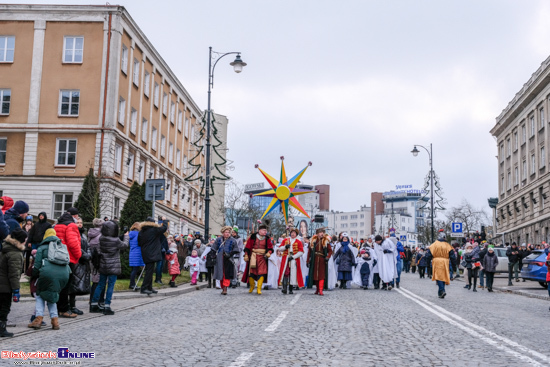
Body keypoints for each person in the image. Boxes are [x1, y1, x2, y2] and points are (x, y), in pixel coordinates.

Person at [27, 228, 70, 330]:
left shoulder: (42, 248)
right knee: (52, 297)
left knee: (40, 296)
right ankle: (55, 321)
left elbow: (36, 266)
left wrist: (33, 275)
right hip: (62, 275)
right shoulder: (62, 247)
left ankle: (38, 320)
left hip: (46, 275)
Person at [90, 221, 129, 315]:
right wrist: (126, 236)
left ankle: (94, 304)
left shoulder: (101, 238)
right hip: (113, 266)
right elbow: (125, 245)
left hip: (103, 265)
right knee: (110, 285)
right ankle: (107, 305)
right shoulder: (116, 240)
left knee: (100, 284)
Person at [54, 207, 82, 318]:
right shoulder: (71, 226)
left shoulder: (57, 225)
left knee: (60, 285)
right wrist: (79, 255)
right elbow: (73, 243)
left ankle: (58, 308)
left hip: (57, 257)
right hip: (68, 258)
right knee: (66, 285)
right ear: (74, 216)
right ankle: (64, 309)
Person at [0, 227, 27, 337]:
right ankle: (2, 329)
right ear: (20, 240)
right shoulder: (15, 253)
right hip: (5, 286)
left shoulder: (5, 248)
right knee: (4, 307)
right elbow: (14, 274)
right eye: (25, 239)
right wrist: (16, 289)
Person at [138, 217, 168, 295]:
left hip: (145, 252)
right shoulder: (153, 230)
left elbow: (139, 243)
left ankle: (149, 287)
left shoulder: (141, 231)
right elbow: (164, 228)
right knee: (149, 271)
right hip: (152, 252)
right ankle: (144, 288)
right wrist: (164, 220)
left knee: (150, 270)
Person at [242, 224, 274, 295]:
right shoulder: (253, 237)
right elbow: (247, 246)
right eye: (263, 230)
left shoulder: (267, 238)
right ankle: (252, 286)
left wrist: (269, 252)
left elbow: (270, 247)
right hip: (253, 256)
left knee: (262, 272)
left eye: (266, 230)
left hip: (262, 257)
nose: (265, 232)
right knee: (251, 273)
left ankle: (259, 289)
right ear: (259, 230)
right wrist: (246, 254)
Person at [69, 217, 91, 315]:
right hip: (76, 261)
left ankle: (72, 305)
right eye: (77, 222)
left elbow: (88, 246)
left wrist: (89, 254)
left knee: (76, 285)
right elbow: (76, 247)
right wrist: (85, 255)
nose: (80, 224)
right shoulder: (73, 234)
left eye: (81, 222)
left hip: (83, 262)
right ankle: (71, 306)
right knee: (73, 285)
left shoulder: (83, 235)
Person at [426, 229, 454, 299]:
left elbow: (428, 255)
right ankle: (441, 292)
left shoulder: (434, 245)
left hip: (436, 261)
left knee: (438, 276)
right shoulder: (447, 245)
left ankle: (442, 290)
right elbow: (452, 256)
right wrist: (454, 265)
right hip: (445, 261)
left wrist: (428, 264)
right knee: (443, 276)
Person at [213, 226, 239, 295]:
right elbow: (213, 248)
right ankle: (223, 287)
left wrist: (230, 254)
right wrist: (213, 257)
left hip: (228, 259)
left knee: (226, 274)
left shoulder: (233, 240)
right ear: (223, 233)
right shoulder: (218, 239)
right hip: (220, 258)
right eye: (226, 232)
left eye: (228, 232)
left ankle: (225, 288)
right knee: (221, 273)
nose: (227, 234)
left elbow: (236, 250)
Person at [277, 228, 305, 294]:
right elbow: (280, 249)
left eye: (294, 233)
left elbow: (301, 252)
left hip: (294, 259)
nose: (292, 234)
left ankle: (290, 289)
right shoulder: (286, 240)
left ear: (296, 234)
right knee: (285, 273)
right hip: (286, 258)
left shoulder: (298, 242)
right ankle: (284, 288)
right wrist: (285, 247)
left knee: (292, 273)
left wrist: (293, 257)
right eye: (292, 232)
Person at [306, 228, 333, 296]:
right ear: (317, 233)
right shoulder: (313, 241)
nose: (322, 234)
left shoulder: (326, 241)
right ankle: (317, 289)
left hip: (322, 260)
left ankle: (321, 290)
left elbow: (330, 251)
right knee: (315, 275)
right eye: (321, 232)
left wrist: (327, 257)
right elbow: (309, 251)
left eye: (323, 232)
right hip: (314, 260)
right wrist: (307, 260)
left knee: (321, 275)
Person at [88, 218, 105, 309]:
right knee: (101, 281)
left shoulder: (91, 233)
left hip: (92, 260)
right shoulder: (101, 236)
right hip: (99, 260)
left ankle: (93, 300)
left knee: (95, 280)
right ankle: (99, 300)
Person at [128, 222, 144, 290]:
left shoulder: (130, 234)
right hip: (137, 253)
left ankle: (132, 284)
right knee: (135, 270)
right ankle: (132, 284)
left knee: (133, 270)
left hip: (132, 253)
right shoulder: (138, 234)